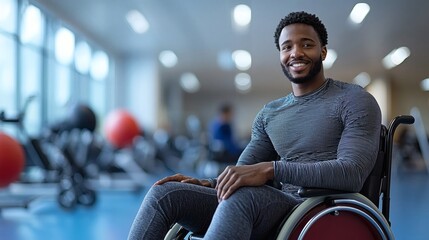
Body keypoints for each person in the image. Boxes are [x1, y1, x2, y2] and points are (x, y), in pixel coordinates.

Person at [128, 11, 381, 240]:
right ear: (281, 55)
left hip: (319, 208)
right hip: (276, 207)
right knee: (165, 194)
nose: (296, 53)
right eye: (287, 47)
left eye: (307, 44)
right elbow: (245, 171)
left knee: (243, 197)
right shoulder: (270, 113)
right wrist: (212, 183)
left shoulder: (354, 100)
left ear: (323, 51)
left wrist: (272, 170)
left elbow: (352, 173)